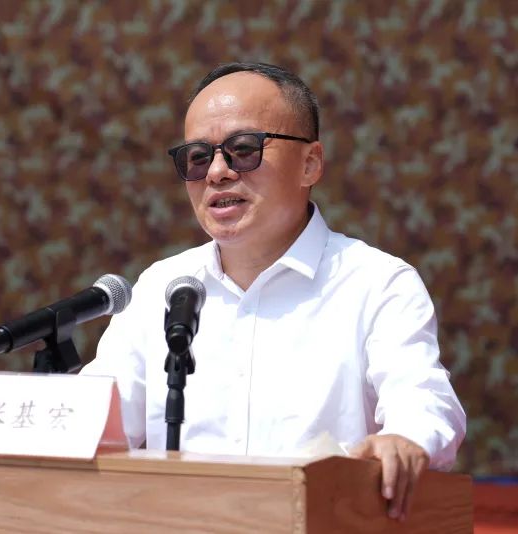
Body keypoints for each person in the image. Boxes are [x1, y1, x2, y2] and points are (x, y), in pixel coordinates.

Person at [82, 62, 466, 522]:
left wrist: (405, 440)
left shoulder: (376, 282)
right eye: (197, 157)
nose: (217, 173)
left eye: (243, 150)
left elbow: (423, 400)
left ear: (310, 163)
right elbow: (92, 423)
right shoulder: (162, 287)